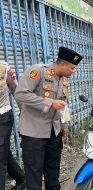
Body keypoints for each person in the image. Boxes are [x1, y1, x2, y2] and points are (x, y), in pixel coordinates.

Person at [14, 47, 82, 190]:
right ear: (62, 64)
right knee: (34, 177)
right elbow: (20, 94)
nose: (73, 71)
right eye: (72, 68)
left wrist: (64, 125)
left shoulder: (63, 80)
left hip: (54, 132)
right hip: (33, 133)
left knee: (53, 174)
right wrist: (49, 103)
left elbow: (64, 104)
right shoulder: (38, 71)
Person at [0, 61, 26, 190]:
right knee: (4, 153)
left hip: (3, 117)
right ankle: (21, 179)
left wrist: (25, 114)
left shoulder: (4, 69)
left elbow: (18, 91)